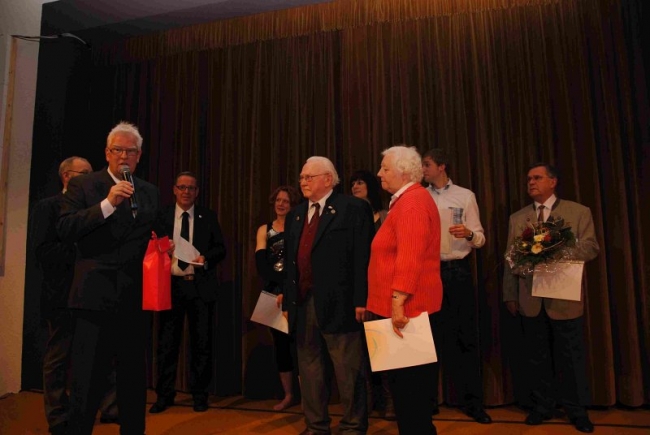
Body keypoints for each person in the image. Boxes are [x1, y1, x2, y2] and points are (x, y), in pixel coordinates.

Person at [57, 122, 168, 435]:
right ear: (107, 153)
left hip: (134, 298)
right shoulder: (85, 185)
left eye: (130, 151)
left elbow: (156, 233)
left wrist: (166, 249)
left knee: (133, 379)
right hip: (94, 299)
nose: (123, 156)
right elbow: (65, 228)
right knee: (87, 380)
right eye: (117, 149)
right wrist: (107, 204)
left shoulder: (149, 191)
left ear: (139, 156)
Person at [503, 163, 600, 434]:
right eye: (528, 179)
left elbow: (591, 248)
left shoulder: (578, 211)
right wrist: (510, 294)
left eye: (537, 178)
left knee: (571, 357)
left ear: (553, 182)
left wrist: (557, 246)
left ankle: (576, 410)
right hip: (530, 299)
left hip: (564, 299)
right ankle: (542, 406)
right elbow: (510, 258)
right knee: (536, 357)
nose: (531, 183)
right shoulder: (518, 217)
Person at [283, 156, 374, 435]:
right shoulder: (296, 214)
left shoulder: (353, 208)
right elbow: (291, 263)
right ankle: (316, 426)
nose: (303, 182)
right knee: (309, 369)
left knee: (348, 369)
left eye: (308, 177)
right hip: (303, 302)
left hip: (341, 304)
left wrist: (362, 299)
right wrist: (288, 300)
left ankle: (353, 427)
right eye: (301, 177)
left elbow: (363, 257)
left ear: (328, 179)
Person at [31, 157, 119, 434]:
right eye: (84, 173)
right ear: (66, 176)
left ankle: (109, 407)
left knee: (101, 352)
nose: (91, 178)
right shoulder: (48, 207)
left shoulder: (98, 207)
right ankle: (58, 415)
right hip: (61, 295)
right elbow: (43, 251)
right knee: (58, 358)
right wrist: (82, 253)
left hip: (94, 293)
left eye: (91, 173)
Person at [366, 145, 443, 435]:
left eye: (385, 168)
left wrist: (397, 304)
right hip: (400, 311)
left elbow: (410, 258)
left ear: (404, 173)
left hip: (407, 313)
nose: (379, 173)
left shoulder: (412, 203)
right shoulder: (406, 201)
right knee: (405, 395)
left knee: (411, 397)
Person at [421, 148, 492, 424]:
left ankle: (472, 402)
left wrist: (469, 233)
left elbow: (481, 238)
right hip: (428, 272)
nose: (423, 170)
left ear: (442, 167)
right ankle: (427, 402)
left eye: (427, 164)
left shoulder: (465, 195)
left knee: (464, 338)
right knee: (428, 339)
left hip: (457, 271)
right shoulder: (420, 196)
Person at [150, 171, 226, 413]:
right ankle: (164, 395)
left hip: (199, 287)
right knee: (167, 343)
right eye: (182, 187)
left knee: (201, 344)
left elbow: (220, 249)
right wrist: (163, 248)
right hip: (170, 287)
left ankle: (199, 395)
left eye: (191, 188)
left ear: (197, 192)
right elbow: (149, 245)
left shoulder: (207, 216)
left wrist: (206, 259)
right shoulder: (161, 216)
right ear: (174, 190)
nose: (186, 192)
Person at [349, 170, 393, 420]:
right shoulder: (349, 216)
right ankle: (365, 403)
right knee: (360, 351)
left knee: (382, 345)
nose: (355, 186)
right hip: (357, 288)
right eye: (352, 183)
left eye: (360, 182)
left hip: (382, 287)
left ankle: (389, 402)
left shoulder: (385, 216)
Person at [254, 185, 302, 411]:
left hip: (295, 291)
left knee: (301, 344)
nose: (281, 204)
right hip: (272, 293)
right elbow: (262, 265)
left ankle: (308, 396)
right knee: (280, 345)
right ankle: (288, 395)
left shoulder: (298, 227)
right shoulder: (264, 230)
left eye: (286, 201)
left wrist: (288, 290)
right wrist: (280, 289)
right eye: (278, 200)